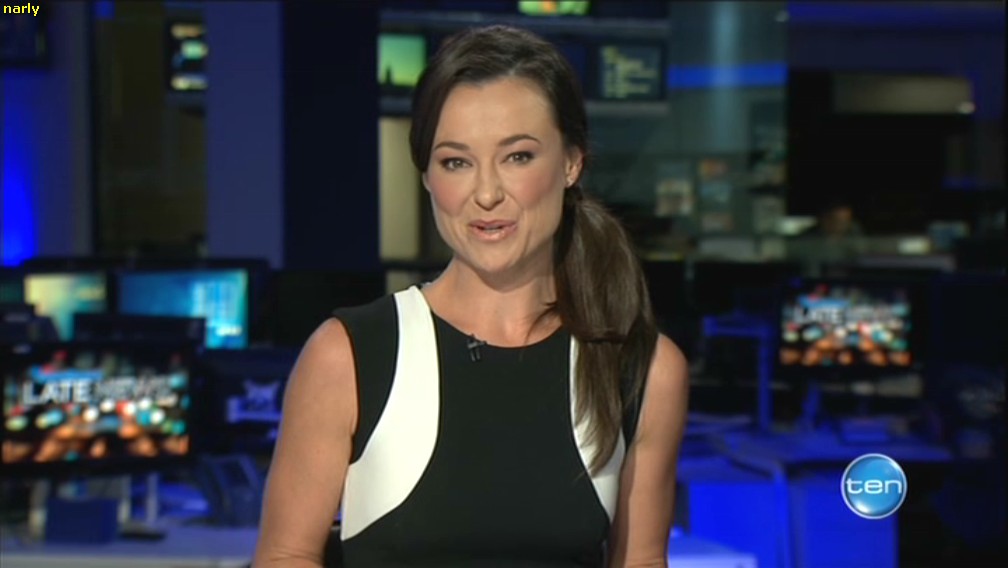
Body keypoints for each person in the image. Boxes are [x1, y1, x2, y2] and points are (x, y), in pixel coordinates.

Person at [253, 25, 689, 568]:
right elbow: (286, 555)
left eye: (518, 157)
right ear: (427, 176)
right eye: (456, 162)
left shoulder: (642, 369)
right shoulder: (347, 355)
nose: (486, 194)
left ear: (571, 163)